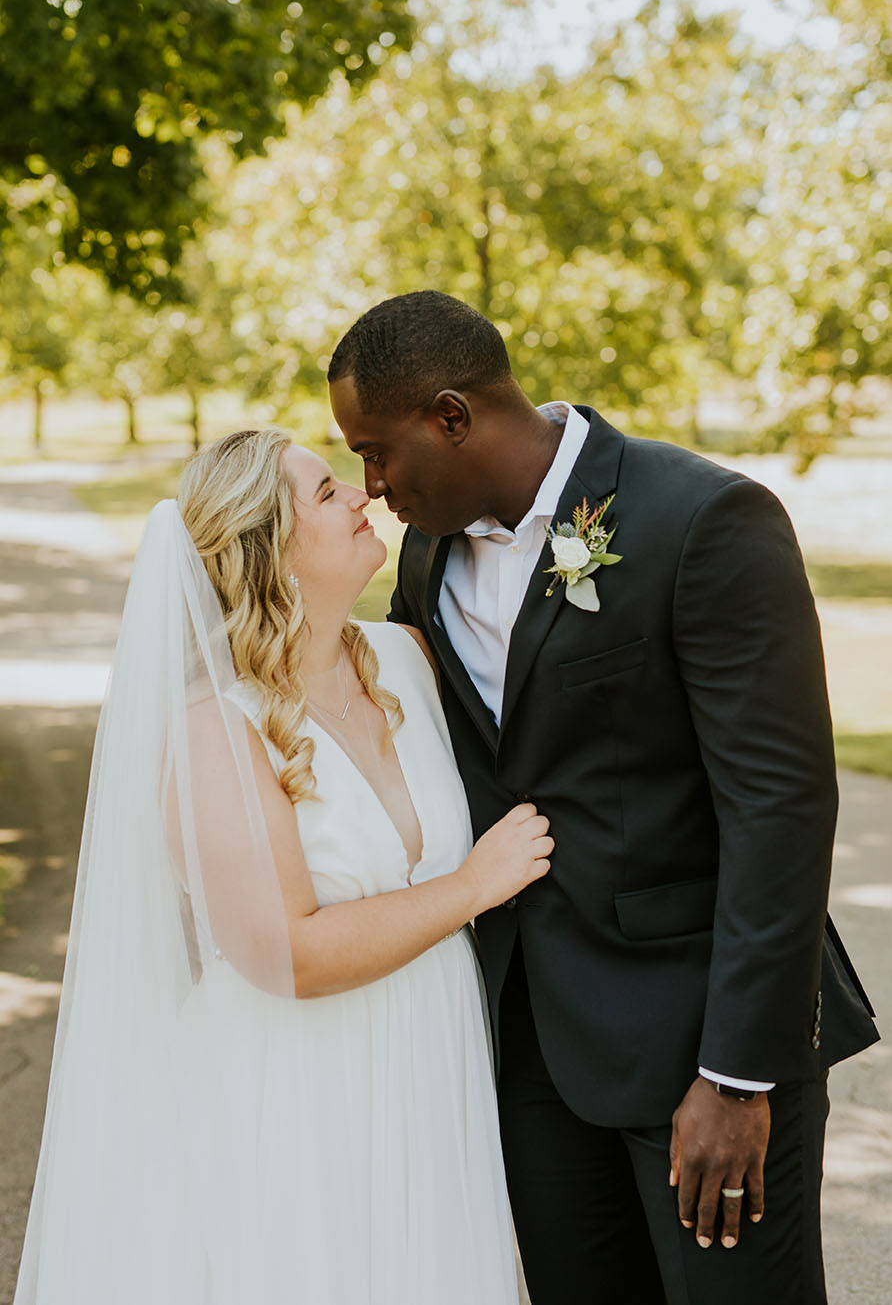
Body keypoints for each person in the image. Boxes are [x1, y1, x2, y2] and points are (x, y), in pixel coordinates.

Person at [328, 290, 880, 1305]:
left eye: (375, 451)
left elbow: (781, 805)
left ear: (450, 417)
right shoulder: (426, 548)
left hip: (695, 1044)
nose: (368, 484)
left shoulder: (701, 520)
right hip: (529, 1048)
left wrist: (737, 1076)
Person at [13, 428, 554, 1305]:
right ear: (271, 549)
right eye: (327, 492)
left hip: (428, 1059)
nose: (363, 496)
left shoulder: (410, 661)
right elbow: (286, 954)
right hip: (297, 1086)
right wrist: (471, 888)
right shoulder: (215, 731)